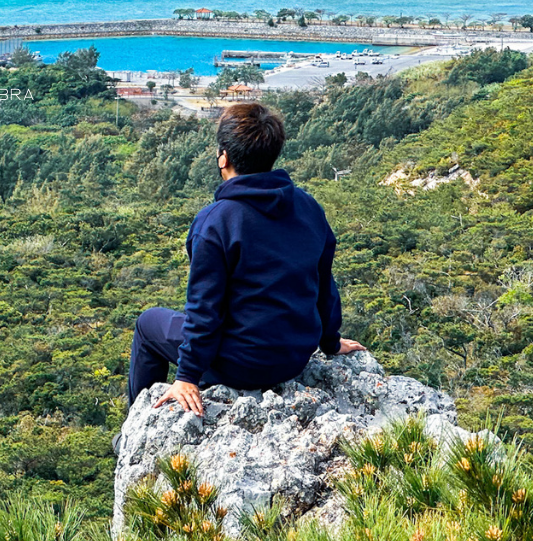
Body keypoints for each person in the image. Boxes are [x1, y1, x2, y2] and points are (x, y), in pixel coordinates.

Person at [129, 102, 364, 416]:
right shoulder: (308, 207)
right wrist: (331, 342)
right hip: (294, 357)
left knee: (148, 324)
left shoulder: (217, 221)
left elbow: (204, 309)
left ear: (223, 157)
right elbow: (323, 285)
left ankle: (136, 418)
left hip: (242, 366)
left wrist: (187, 376)